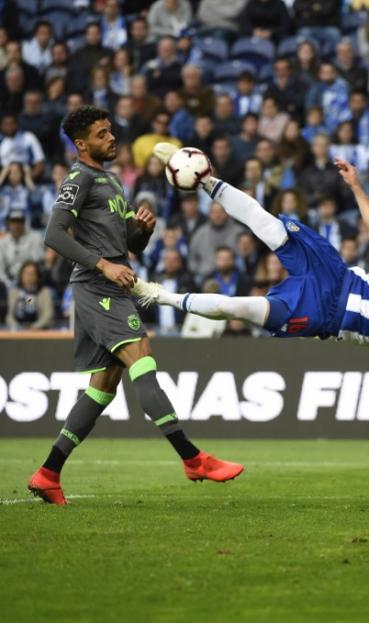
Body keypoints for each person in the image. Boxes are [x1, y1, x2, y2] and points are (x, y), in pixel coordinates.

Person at [133, 157, 369, 483]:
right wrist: (357, 186)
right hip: (334, 273)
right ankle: (207, 180)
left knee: (243, 309)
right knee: (269, 225)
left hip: (325, 317)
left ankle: (158, 295)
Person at [27, 107, 242, 506]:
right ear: (81, 144)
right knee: (141, 359)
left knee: (103, 388)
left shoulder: (111, 180)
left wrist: (141, 231)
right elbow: (54, 234)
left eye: (110, 130)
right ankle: (192, 458)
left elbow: (128, 245)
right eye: (102, 133)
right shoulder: (79, 179)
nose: (111, 137)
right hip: (98, 287)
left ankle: (48, 473)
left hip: (111, 285)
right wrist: (103, 264)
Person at [7, 260, 54, 330]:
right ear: (21, 275)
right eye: (26, 273)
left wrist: (33, 328)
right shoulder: (14, 292)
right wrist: (16, 328)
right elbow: (9, 316)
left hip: (39, 331)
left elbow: (48, 315)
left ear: (37, 276)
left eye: (32, 273)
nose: (29, 276)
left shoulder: (45, 292)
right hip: (17, 331)